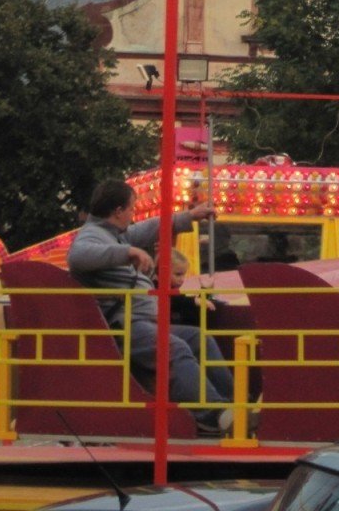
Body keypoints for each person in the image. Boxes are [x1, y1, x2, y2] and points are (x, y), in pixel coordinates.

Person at [67, 179, 234, 436]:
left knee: (199, 338)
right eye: (132, 209)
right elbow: (78, 256)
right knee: (174, 348)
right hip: (124, 324)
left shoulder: (115, 235)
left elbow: (149, 228)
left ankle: (235, 406)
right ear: (118, 211)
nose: (133, 215)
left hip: (143, 320)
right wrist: (128, 253)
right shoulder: (91, 235)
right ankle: (212, 414)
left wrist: (189, 216)